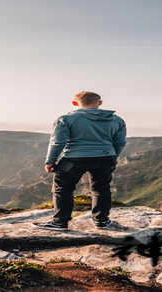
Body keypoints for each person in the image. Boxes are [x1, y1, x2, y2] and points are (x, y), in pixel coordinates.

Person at [32, 91, 127, 231]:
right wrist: (112, 157)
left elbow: (58, 142)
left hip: (74, 158)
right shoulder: (117, 120)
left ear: (75, 103)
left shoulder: (66, 119)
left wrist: (50, 161)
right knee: (101, 189)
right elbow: (120, 142)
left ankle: (60, 223)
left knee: (63, 189)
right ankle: (102, 221)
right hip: (105, 157)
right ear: (99, 103)